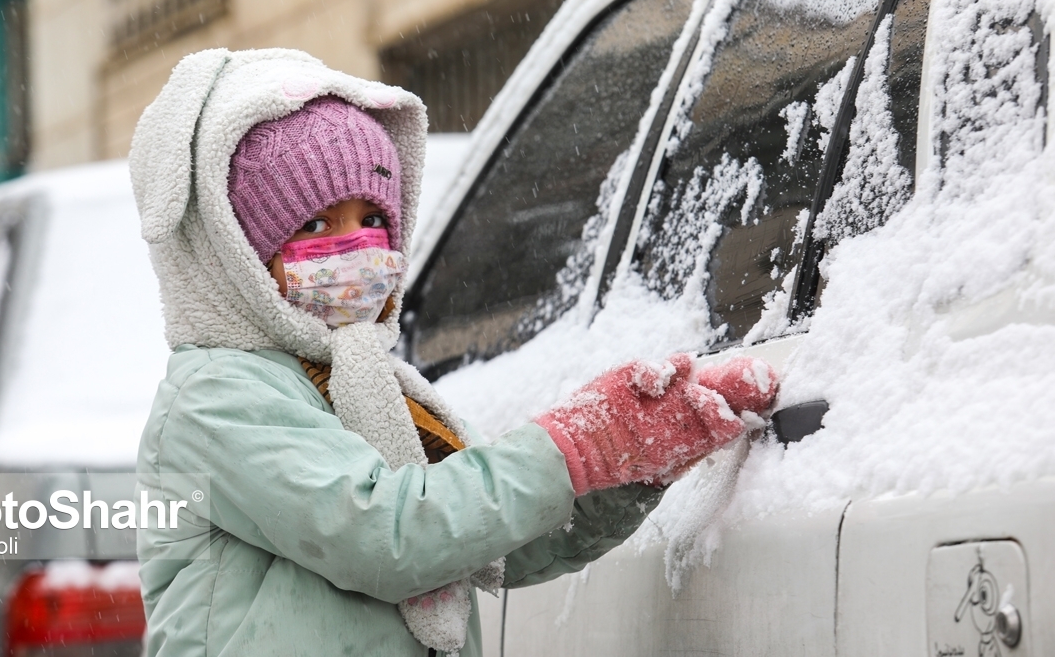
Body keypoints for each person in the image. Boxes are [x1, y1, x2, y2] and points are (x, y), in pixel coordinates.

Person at [128, 48, 778, 656]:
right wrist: (576, 447)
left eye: (373, 220)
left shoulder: (377, 389)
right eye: (316, 225)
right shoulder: (217, 397)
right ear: (232, 256)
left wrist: (633, 458)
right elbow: (388, 535)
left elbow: (497, 538)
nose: (356, 247)